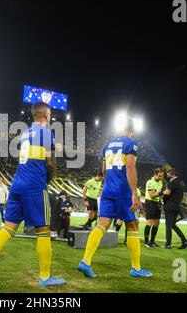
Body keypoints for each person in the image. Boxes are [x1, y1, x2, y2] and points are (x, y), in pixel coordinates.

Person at [0, 101, 66, 287]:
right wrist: (47, 179)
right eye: (50, 113)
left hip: (16, 185)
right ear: (46, 114)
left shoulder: (25, 134)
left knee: (8, 228)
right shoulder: (46, 133)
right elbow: (50, 163)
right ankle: (45, 277)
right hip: (34, 187)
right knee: (44, 231)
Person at [77, 116, 152, 279]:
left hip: (107, 191)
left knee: (101, 225)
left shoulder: (108, 146)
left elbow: (104, 171)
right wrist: (134, 193)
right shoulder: (131, 144)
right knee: (132, 226)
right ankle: (136, 268)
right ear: (132, 130)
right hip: (123, 191)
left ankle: (86, 261)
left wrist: (110, 182)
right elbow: (130, 167)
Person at [163, 169, 187, 249]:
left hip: (170, 206)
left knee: (168, 225)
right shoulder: (182, 183)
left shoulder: (173, 182)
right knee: (173, 225)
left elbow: (167, 193)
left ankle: (168, 244)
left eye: (168, 175)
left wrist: (161, 193)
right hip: (176, 206)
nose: (167, 176)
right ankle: (185, 241)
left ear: (173, 174)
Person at [143, 168, 164, 248]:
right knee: (149, 222)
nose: (161, 177)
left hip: (158, 203)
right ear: (155, 174)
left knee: (156, 223)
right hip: (150, 203)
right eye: (159, 175)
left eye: (162, 175)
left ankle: (152, 242)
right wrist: (162, 193)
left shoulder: (161, 182)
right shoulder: (150, 182)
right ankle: (146, 242)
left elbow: (159, 194)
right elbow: (151, 195)